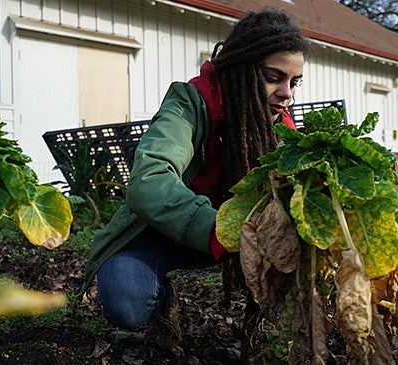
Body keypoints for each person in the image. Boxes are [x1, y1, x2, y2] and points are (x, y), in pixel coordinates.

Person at [82, 8, 311, 344]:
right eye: (273, 77)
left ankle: (262, 328)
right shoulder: (188, 104)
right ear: (239, 71)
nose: (287, 93)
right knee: (126, 304)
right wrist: (220, 231)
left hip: (232, 238)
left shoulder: (280, 127)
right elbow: (150, 182)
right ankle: (160, 299)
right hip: (161, 234)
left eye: (293, 81)